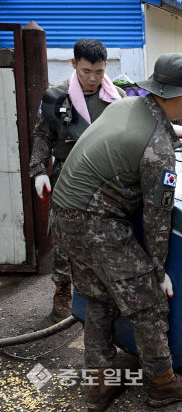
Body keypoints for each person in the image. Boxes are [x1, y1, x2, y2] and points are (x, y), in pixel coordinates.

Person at [51, 53, 182, 410]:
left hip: (63, 215)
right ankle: (163, 383)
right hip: (96, 224)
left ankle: (100, 385)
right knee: (147, 303)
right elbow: (159, 219)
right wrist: (157, 272)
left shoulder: (125, 106)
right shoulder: (157, 150)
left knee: (99, 298)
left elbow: (123, 140)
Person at [29, 38, 126, 323]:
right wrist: (39, 171)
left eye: (99, 71)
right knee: (63, 237)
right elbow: (43, 135)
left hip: (107, 178)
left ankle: (105, 294)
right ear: (74, 64)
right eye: (86, 71)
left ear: (106, 66)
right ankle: (62, 289)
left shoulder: (117, 97)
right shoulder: (55, 97)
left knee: (108, 235)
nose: (93, 79)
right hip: (67, 175)